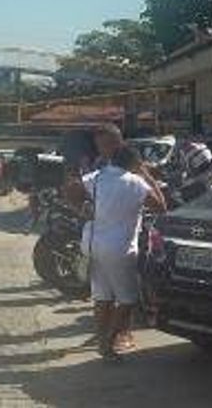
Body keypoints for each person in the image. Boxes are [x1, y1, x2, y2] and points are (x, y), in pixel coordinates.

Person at [67, 129, 165, 360]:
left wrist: (82, 211)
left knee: (102, 297)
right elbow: (161, 206)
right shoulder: (135, 182)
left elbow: (70, 189)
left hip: (94, 245)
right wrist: (145, 174)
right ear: (134, 163)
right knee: (128, 299)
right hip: (120, 249)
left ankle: (102, 339)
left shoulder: (97, 177)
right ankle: (108, 344)